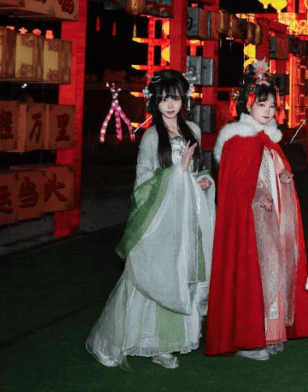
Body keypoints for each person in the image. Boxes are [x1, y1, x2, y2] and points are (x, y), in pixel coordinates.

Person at [87, 69, 215, 369]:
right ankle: (145, 341)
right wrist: (176, 173)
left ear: (184, 99)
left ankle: (172, 340)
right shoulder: (151, 137)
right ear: (154, 101)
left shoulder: (193, 130)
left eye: (176, 98)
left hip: (189, 216)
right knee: (156, 275)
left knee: (183, 272)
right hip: (161, 218)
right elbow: (143, 182)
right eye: (164, 99)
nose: (170, 104)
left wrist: (204, 179)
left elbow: (201, 168)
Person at [206, 60, 308, 359]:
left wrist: (285, 179)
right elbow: (238, 190)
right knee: (255, 273)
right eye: (261, 104)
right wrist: (254, 198)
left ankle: (271, 333)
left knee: (276, 271)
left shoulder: (270, 141)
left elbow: (272, 174)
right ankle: (248, 339)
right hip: (250, 225)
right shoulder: (237, 141)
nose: (267, 111)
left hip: (274, 218)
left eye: (271, 106)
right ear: (247, 105)